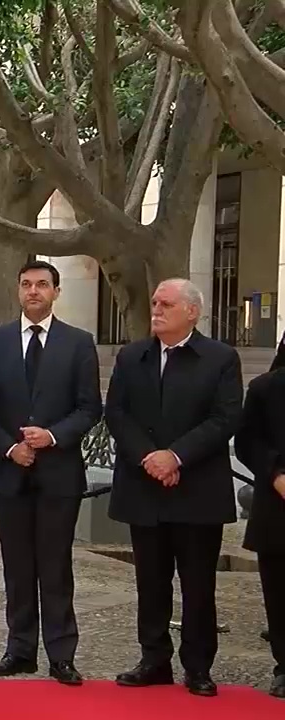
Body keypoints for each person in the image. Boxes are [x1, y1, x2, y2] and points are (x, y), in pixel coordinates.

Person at [105, 278, 242, 697]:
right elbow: (117, 413)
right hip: (144, 484)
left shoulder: (219, 358)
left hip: (197, 488)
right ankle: (153, 659)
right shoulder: (133, 357)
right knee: (151, 580)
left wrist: (176, 456)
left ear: (192, 312)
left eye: (166, 303)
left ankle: (198, 666)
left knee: (198, 583)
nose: (157, 309)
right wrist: (151, 457)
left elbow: (224, 418)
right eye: (154, 302)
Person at [0, 260, 100, 686]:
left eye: (42, 284)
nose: (33, 291)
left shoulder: (79, 343)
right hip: (10, 474)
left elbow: (89, 408)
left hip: (59, 474)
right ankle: (19, 649)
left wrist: (52, 437)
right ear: (18, 290)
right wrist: (10, 447)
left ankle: (61, 654)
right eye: (26, 284)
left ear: (56, 291)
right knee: (17, 566)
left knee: (56, 566)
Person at [233, 364, 285, 698]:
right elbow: (248, 441)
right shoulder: (266, 387)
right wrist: (276, 474)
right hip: (278, 504)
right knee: (280, 593)